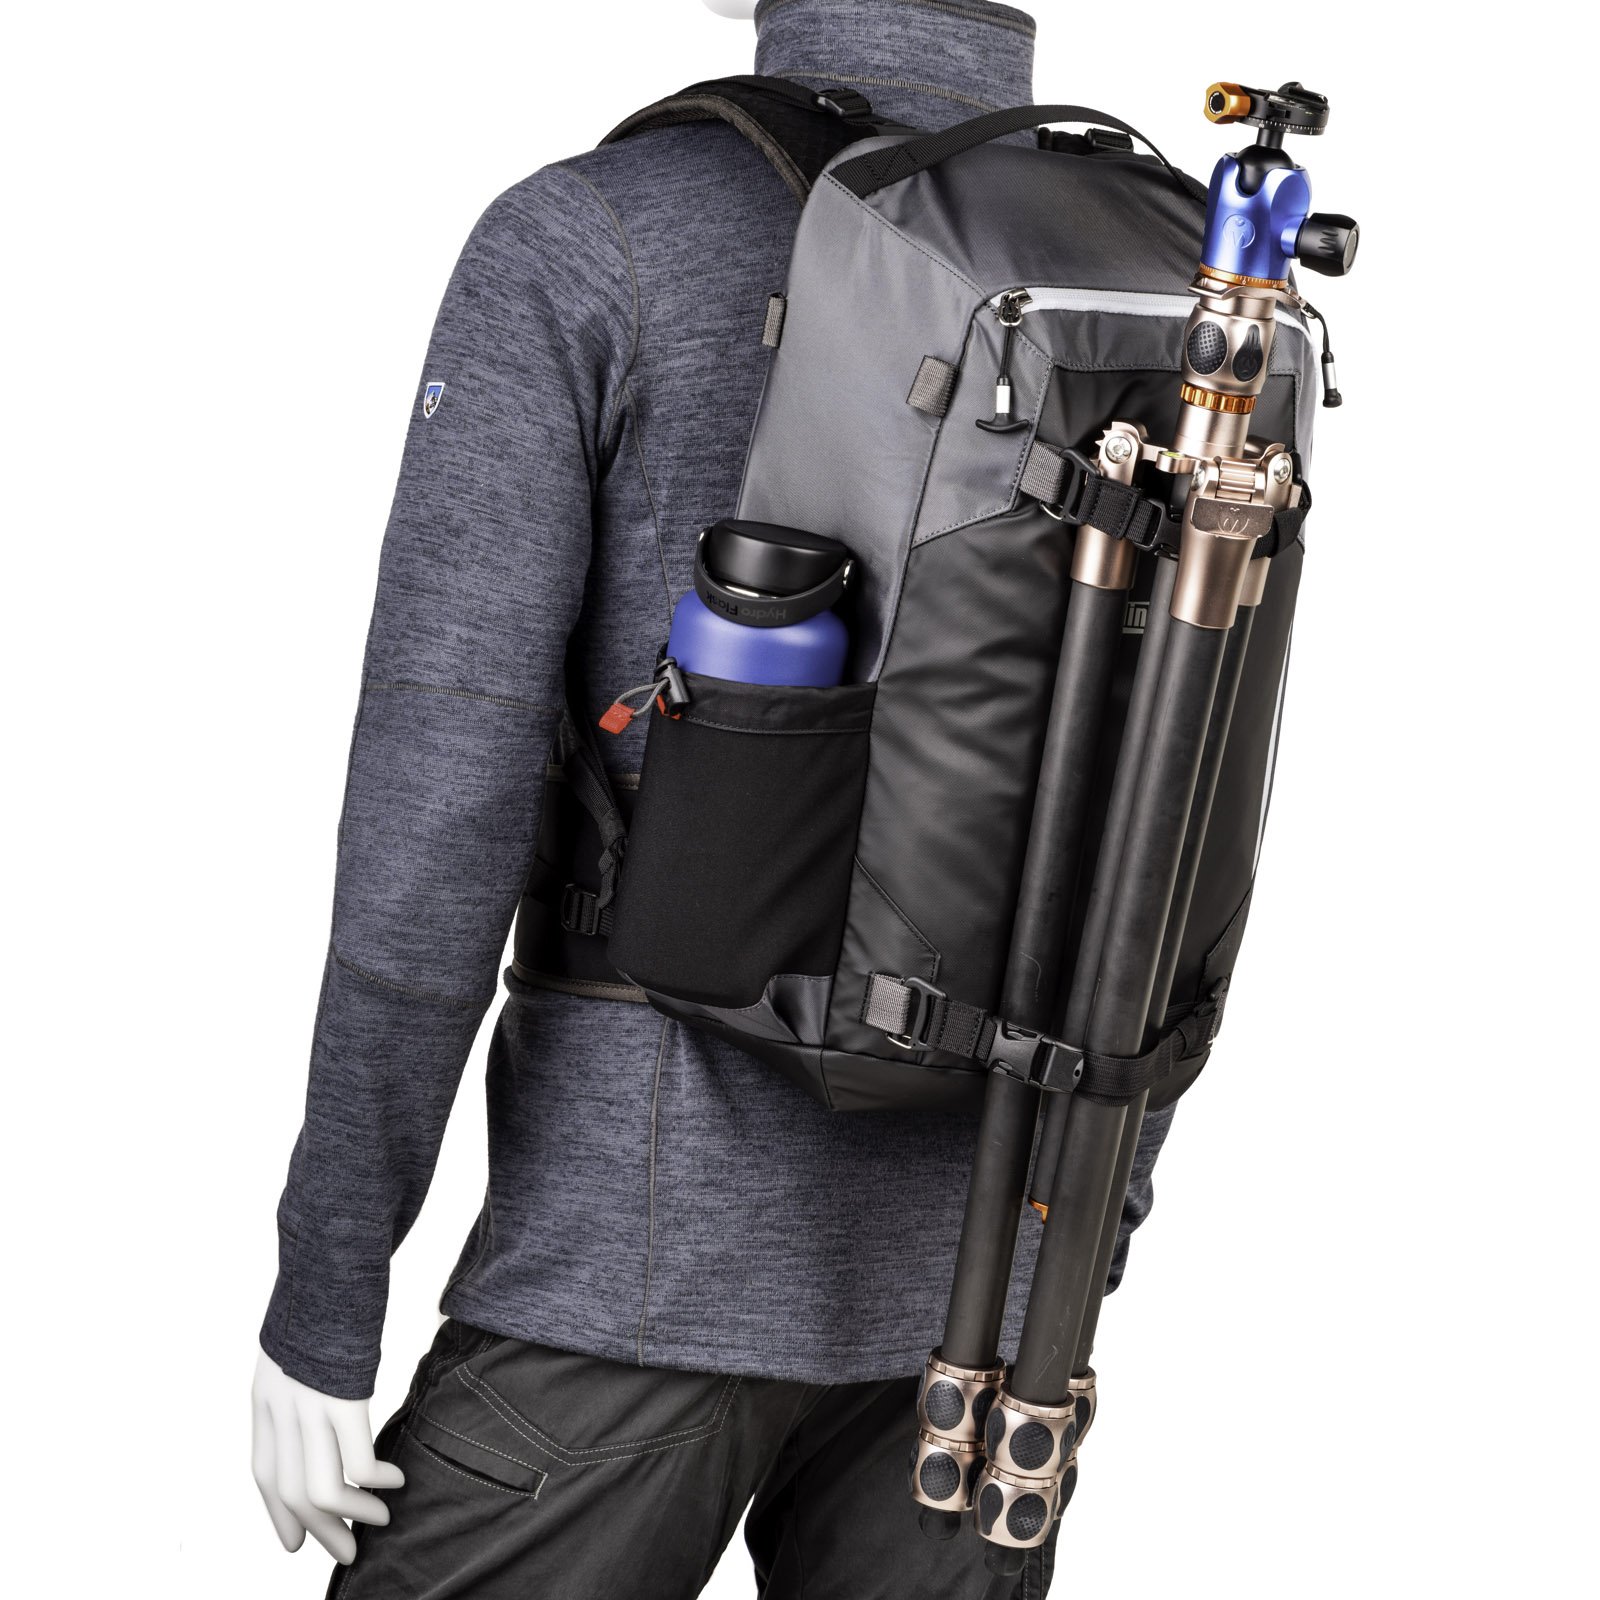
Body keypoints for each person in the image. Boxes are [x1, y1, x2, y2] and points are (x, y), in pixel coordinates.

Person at [252, 2, 1176, 1593]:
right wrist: (1081, 1224)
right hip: (996, 1315)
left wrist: (326, 1292)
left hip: (635, 1268)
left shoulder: (601, 237)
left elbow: (439, 810)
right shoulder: (1167, 273)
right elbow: (1176, 789)